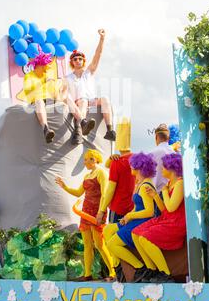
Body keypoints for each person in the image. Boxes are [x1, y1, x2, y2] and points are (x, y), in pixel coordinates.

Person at [55, 149, 115, 281]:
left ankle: (113, 272)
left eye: (86, 159)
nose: (85, 162)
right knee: (87, 244)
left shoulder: (101, 173)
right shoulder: (87, 176)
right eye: (84, 160)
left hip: (97, 212)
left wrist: (101, 212)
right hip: (86, 211)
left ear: (93, 160)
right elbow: (78, 192)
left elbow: (105, 193)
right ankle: (87, 274)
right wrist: (64, 186)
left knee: (99, 244)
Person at [132, 153, 186, 283]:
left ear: (171, 168)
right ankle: (151, 269)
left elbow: (172, 207)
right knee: (135, 233)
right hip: (166, 219)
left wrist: (165, 193)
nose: (161, 170)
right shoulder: (169, 183)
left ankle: (165, 273)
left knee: (145, 238)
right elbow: (164, 209)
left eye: (164, 167)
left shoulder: (180, 183)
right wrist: (156, 195)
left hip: (176, 223)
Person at [103, 153, 158, 281]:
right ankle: (118, 269)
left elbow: (150, 212)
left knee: (112, 244)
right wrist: (128, 216)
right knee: (107, 230)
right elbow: (137, 207)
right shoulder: (140, 183)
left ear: (139, 168)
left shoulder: (145, 186)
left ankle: (139, 268)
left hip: (141, 222)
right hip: (135, 219)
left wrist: (129, 216)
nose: (130, 167)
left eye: (133, 165)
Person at [22, 50, 87, 144]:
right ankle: (46, 129)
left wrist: (63, 88)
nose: (48, 67)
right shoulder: (30, 76)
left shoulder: (50, 77)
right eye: (46, 64)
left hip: (52, 100)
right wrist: (44, 83)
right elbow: (29, 91)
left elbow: (57, 93)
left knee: (68, 98)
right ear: (40, 64)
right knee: (39, 101)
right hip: (37, 100)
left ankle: (82, 122)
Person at [66, 29, 116, 144]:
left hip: (91, 102)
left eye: (80, 59)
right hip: (78, 102)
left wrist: (102, 39)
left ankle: (110, 131)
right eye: (75, 59)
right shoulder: (68, 77)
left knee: (105, 98)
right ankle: (81, 126)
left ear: (83, 61)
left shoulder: (88, 72)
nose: (78, 61)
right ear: (72, 62)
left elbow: (98, 55)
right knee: (83, 101)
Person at [96, 117, 135, 225]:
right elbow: (107, 165)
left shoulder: (117, 162)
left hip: (118, 208)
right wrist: (110, 159)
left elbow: (110, 190)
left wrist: (101, 211)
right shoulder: (137, 160)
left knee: (113, 239)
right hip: (133, 209)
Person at [150, 124, 174, 193]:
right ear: (168, 138)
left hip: (155, 193)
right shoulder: (175, 153)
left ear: (156, 137)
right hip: (172, 192)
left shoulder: (151, 153)